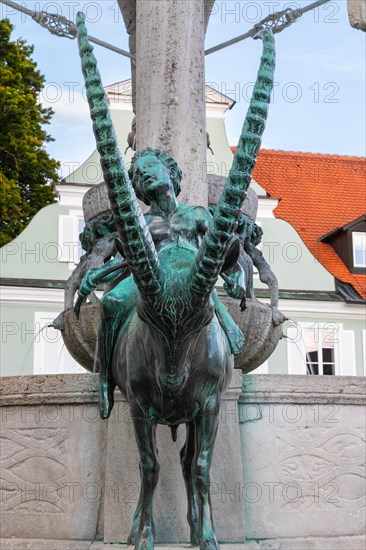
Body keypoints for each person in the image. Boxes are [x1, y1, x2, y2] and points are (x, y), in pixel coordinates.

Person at [76, 149, 246, 416]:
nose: (143, 174)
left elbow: (225, 254)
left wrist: (238, 280)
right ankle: (106, 379)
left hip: (191, 275)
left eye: (150, 167)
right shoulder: (141, 222)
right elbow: (123, 263)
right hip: (152, 280)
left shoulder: (197, 214)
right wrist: (94, 277)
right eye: (138, 175)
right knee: (110, 302)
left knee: (200, 297)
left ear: (171, 172)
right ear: (139, 190)